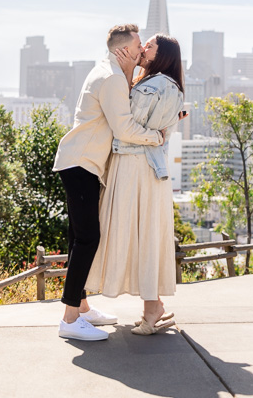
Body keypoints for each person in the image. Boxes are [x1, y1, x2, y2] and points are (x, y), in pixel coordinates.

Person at [52, 24, 166, 341]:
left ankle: (83, 308)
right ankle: (70, 319)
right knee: (88, 239)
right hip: (82, 163)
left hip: (81, 161)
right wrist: (156, 137)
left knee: (79, 239)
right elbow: (124, 127)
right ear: (124, 50)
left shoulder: (111, 71)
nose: (143, 49)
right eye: (139, 44)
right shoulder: (113, 77)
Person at [86, 33, 184, 335]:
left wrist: (128, 77)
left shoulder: (156, 85)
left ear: (161, 55)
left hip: (135, 168)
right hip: (143, 168)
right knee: (146, 236)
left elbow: (126, 127)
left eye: (150, 46)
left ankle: (153, 309)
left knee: (136, 234)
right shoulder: (161, 84)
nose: (143, 48)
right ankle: (152, 308)